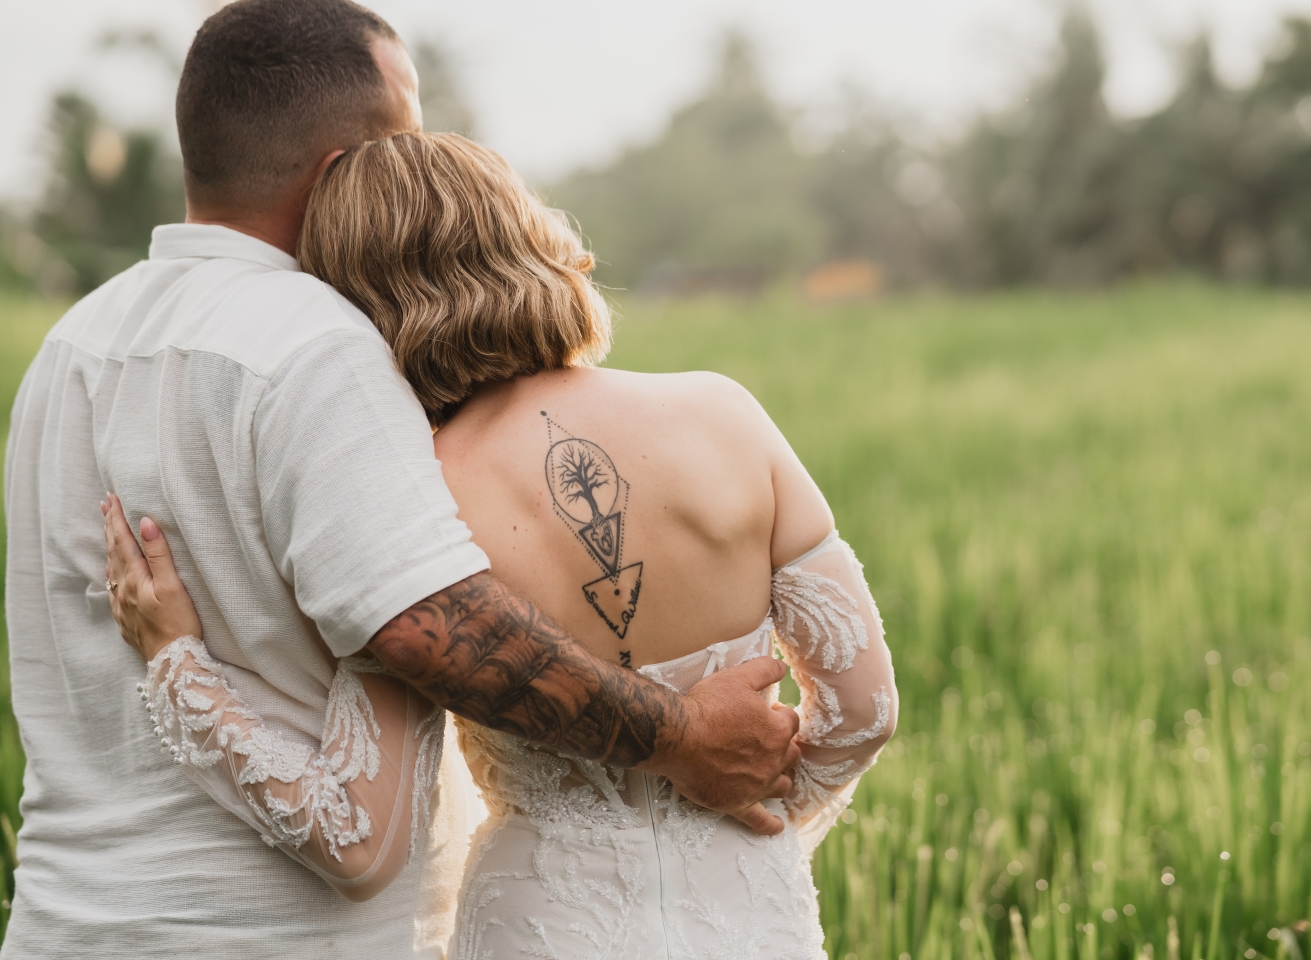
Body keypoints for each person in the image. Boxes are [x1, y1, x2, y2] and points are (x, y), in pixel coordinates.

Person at [1, 2, 798, 956]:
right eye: (407, 141)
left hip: (60, 924)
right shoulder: (316, 344)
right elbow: (430, 626)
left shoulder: (72, 345)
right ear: (346, 171)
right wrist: (680, 737)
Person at [100, 131, 899, 959]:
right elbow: (865, 714)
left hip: (540, 925)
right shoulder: (724, 415)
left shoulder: (412, 499)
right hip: (752, 920)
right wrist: (748, 819)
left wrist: (177, 664)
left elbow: (348, 827)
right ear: (527, 240)